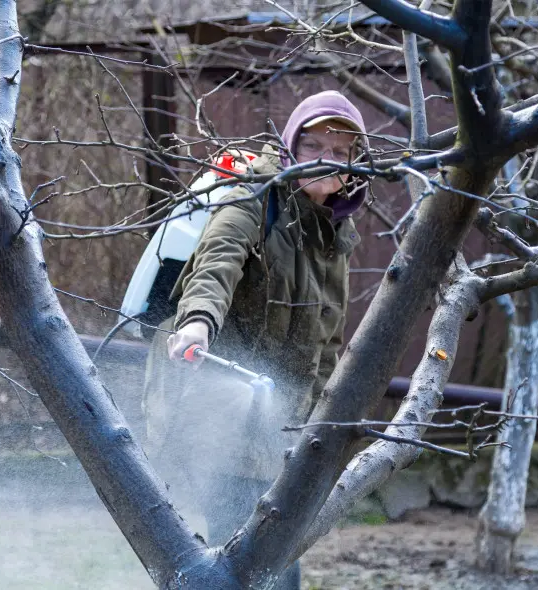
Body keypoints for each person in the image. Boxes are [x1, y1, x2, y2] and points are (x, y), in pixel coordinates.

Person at [143, 90, 367, 589]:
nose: (326, 159)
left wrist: (316, 428)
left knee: (270, 561)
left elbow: (326, 345)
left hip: (280, 428)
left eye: (341, 149)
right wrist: (198, 321)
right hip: (219, 417)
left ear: (355, 162)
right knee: (255, 564)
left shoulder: (334, 235)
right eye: (312, 146)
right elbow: (217, 261)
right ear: (291, 147)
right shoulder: (251, 197)